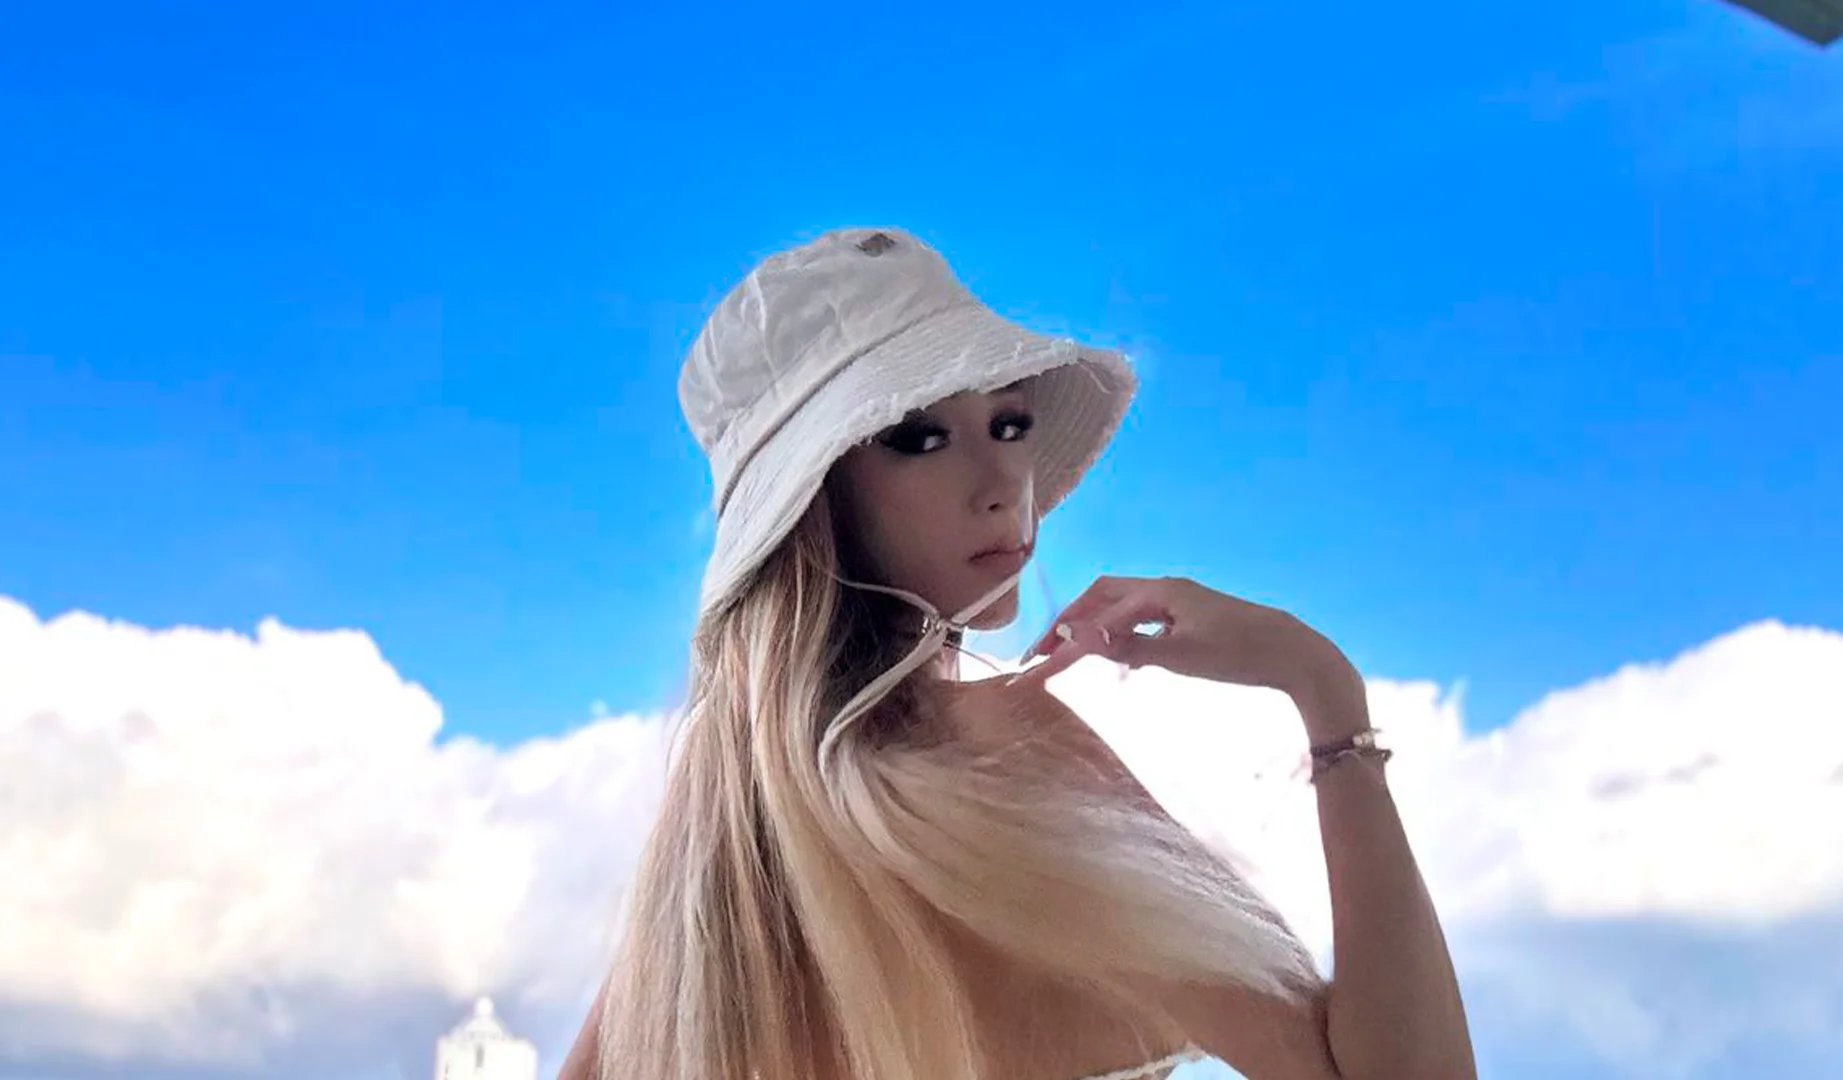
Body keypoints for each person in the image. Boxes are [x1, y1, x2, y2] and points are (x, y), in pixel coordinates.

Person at [558, 228, 1475, 1080]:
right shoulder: (1003, 742)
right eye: (919, 438)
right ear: (817, 505)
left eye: (1009, 425)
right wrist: (1320, 685)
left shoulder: (715, 827)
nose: (1003, 484)